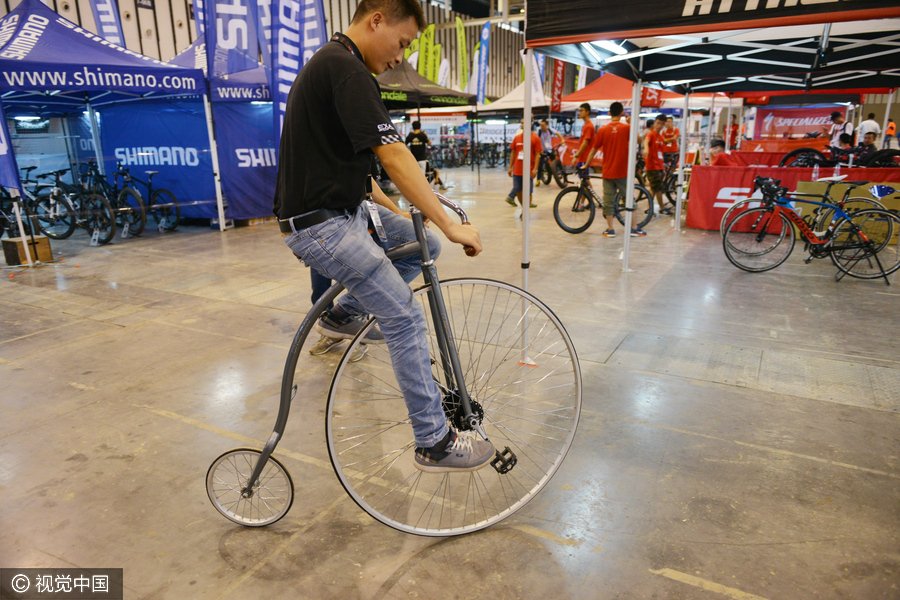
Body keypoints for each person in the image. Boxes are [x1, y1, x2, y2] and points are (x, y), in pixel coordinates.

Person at [274, 0, 492, 473]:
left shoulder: (342, 68)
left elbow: (361, 172)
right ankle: (433, 441)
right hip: (320, 226)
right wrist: (451, 222)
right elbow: (394, 157)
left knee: (424, 245)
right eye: (403, 43)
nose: (401, 57)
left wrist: (410, 217)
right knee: (404, 317)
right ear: (377, 21)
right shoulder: (345, 70)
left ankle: (343, 314)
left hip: (349, 209)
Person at [581, 101, 646, 238]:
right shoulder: (627, 128)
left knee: (608, 201)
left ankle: (610, 229)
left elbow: (593, 150)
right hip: (623, 171)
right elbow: (639, 140)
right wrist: (632, 124)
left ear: (609, 113)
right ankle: (634, 228)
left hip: (608, 172)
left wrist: (586, 165)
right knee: (629, 200)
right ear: (622, 113)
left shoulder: (603, 130)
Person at [506, 121, 542, 211]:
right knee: (518, 190)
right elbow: (513, 152)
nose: (523, 124)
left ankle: (525, 211)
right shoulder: (517, 138)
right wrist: (510, 167)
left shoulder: (535, 138)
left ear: (530, 124)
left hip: (528, 170)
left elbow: (538, 154)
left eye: (524, 122)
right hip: (517, 170)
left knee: (528, 191)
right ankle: (524, 209)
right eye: (522, 123)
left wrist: (535, 169)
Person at [643, 114, 672, 215]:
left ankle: (648, 207)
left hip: (659, 166)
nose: (659, 126)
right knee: (658, 188)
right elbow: (646, 142)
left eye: (662, 124)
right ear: (654, 123)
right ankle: (662, 207)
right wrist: (646, 149)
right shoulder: (650, 134)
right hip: (652, 166)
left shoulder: (660, 137)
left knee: (653, 188)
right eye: (658, 123)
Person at [405, 120, 446, 190]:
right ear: (420, 127)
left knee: (414, 175)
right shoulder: (422, 135)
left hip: (413, 159)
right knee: (422, 176)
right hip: (422, 159)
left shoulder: (410, 136)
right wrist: (426, 136)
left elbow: (404, 145)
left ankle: (415, 189)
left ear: (412, 127)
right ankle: (422, 189)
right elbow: (429, 144)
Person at [536, 119, 564, 187]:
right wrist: (539, 150)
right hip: (542, 150)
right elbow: (537, 141)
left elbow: (558, 134)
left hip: (550, 149)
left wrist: (562, 139)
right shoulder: (539, 132)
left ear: (546, 125)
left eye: (543, 125)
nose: (541, 127)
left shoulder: (550, 130)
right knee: (540, 164)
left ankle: (556, 172)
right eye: (541, 125)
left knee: (555, 161)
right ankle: (538, 179)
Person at [574, 103, 595, 175]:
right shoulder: (585, 124)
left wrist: (576, 156)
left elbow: (585, 143)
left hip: (584, 157)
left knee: (584, 179)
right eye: (579, 111)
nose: (580, 113)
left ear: (587, 112)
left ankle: (589, 187)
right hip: (582, 157)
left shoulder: (589, 126)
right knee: (583, 179)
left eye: (581, 110)